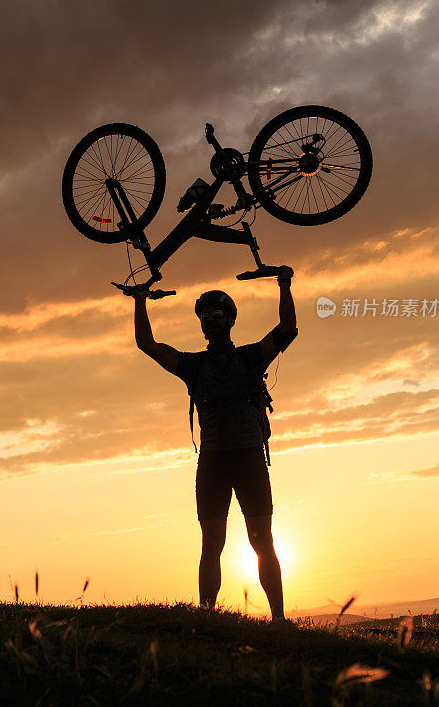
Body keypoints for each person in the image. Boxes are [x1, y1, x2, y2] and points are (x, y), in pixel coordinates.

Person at [133, 266, 297, 622]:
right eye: (204, 316)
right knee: (212, 544)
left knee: (262, 543)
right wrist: (140, 302)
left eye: (216, 314)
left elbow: (286, 329)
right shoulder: (194, 366)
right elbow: (147, 345)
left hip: (248, 456)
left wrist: (284, 285)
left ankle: (279, 620)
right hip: (214, 462)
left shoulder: (250, 357)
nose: (209, 320)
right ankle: (208, 619)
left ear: (230, 319)